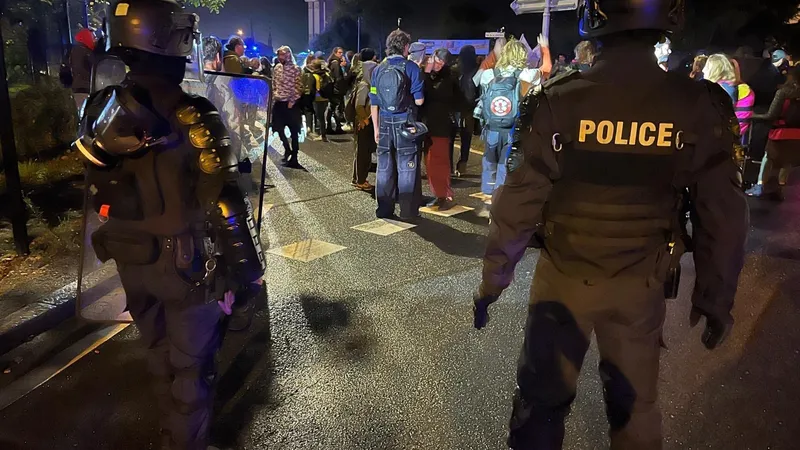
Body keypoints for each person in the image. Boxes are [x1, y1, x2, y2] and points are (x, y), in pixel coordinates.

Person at [473, 1, 749, 449]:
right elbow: (723, 214)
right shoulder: (700, 104)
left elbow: (516, 204)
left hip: (564, 278)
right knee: (635, 410)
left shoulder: (555, 100)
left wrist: (492, 281)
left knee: (541, 405)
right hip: (640, 282)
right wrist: (716, 298)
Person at [73, 1, 266, 448]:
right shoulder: (192, 112)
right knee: (190, 372)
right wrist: (250, 278)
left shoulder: (101, 109)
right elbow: (225, 203)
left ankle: (170, 433)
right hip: (184, 266)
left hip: (128, 256)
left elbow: (97, 182)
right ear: (169, 39)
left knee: (159, 356)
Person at [475, 36, 549, 218]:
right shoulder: (527, 75)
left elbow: (476, 82)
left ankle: (488, 201)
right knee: (505, 166)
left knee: (489, 163)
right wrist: (544, 48)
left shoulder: (489, 75)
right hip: (513, 131)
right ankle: (501, 207)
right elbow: (547, 70)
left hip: (491, 130)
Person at [369, 29, 426, 220]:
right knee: (407, 166)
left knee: (384, 166)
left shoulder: (378, 69)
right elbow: (419, 101)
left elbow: (374, 101)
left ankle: (384, 210)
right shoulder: (411, 67)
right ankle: (408, 212)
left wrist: (376, 128)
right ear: (406, 47)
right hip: (405, 123)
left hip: (384, 122)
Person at [748, 65, 800, 200]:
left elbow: (771, 115)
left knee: (768, 157)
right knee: (787, 161)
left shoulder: (783, 92)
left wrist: (752, 115)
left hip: (780, 132)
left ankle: (760, 185)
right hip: (797, 134)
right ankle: (781, 188)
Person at [421, 48, 460, 210]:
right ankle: (439, 194)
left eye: (440, 62)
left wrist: (426, 74)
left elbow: (434, 94)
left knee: (440, 163)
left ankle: (445, 195)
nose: (436, 64)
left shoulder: (448, 79)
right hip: (428, 126)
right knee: (430, 163)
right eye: (435, 60)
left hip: (440, 126)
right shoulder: (432, 77)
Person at [272, 46, 304, 168]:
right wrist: (275, 95)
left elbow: (299, 86)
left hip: (291, 105)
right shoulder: (277, 68)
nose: (280, 57)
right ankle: (287, 149)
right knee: (278, 129)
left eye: (283, 55)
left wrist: (292, 100)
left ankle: (294, 156)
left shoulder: (296, 69)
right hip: (279, 103)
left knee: (294, 132)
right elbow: (274, 83)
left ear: (288, 55)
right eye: (279, 55)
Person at [452, 44, 479, 176]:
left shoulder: (456, 71)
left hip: (456, 109)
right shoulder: (476, 71)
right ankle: (462, 165)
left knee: (451, 137)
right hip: (469, 110)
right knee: (466, 139)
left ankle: (451, 165)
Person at [352, 59, 378, 190]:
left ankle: (357, 178)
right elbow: (359, 105)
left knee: (363, 151)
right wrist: (365, 120)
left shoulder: (369, 84)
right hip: (363, 123)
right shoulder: (364, 85)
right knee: (363, 152)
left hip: (366, 122)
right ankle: (360, 180)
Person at [70, 27, 97, 112]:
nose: (95, 40)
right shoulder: (83, 51)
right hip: (84, 89)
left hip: (81, 88)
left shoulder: (78, 50)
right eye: (93, 37)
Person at [309, 59, 333, 142]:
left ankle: (322, 135)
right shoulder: (326, 73)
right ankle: (322, 133)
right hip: (325, 98)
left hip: (317, 98)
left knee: (320, 117)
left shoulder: (314, 76)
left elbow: (313, 89)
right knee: (322, 116)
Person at [327, 46, 347, 133]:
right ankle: (337, 127)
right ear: (335, 53)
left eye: (342, 52)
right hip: (336, 89)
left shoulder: (335, 62)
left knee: (332, 108)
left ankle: (330, 127)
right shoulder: (335, 63)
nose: (341, 54)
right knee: (337, 108)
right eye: (339, 52)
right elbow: (338, 77)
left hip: (334, 89)